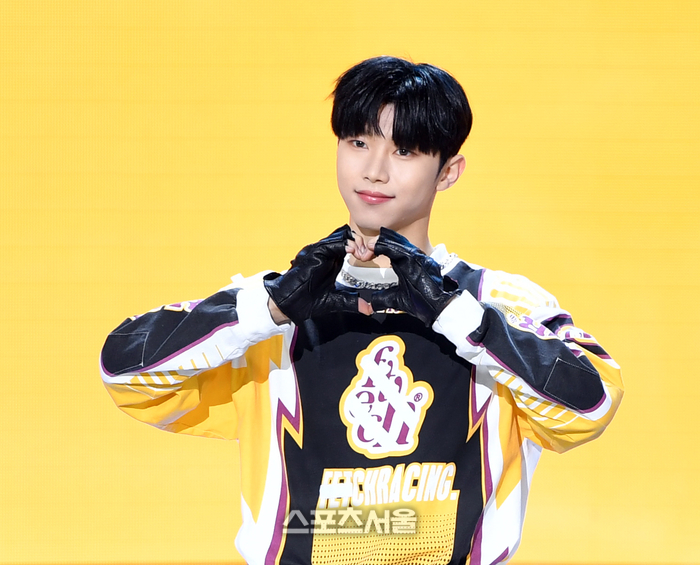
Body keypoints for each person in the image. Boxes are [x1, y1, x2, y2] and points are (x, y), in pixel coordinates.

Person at [100, 56, 623, 565]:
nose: (374, 171)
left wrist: (454, 314)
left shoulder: (499, 301)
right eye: (358, 142)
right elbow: (123, 373)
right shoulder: (269, 309)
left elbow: (592, 406)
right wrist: (269, 309)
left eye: (405, 151)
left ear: (448, 172)